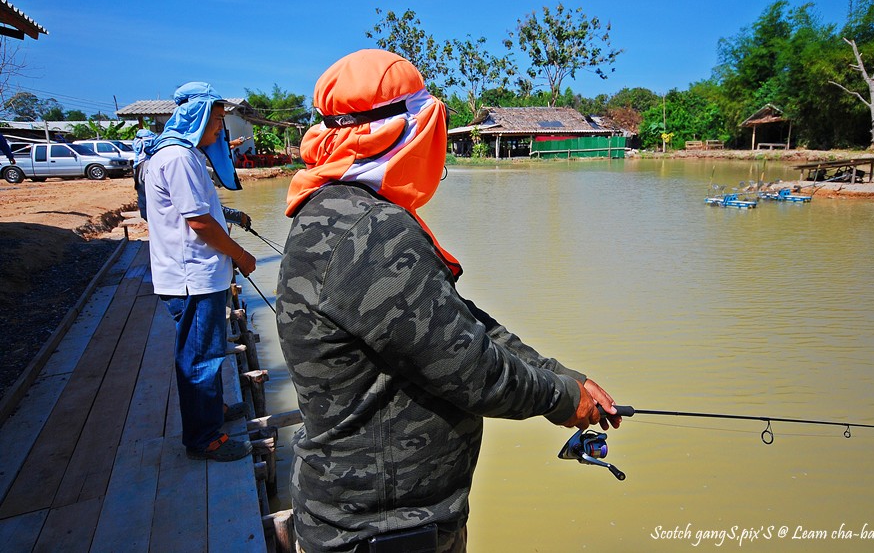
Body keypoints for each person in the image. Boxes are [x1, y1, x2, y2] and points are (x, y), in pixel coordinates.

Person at [277, 49, 622, 553]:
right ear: (410, 131)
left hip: (369, 517)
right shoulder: (370, 230)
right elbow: (470, 369)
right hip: (383, 531)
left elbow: (455, 320)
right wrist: (563, 399)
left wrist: (560, 372)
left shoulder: (339, 209)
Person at [143, 82, 257, 462]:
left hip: (189, 273)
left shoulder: (175, 153)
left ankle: (213, 411)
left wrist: (231, 217)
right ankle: (204, 438)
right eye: (219, 120)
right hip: (193, 276)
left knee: (202, 349)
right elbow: (199, 223)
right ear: (200, 116)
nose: (221, 130)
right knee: (200, 357)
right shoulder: (179, 158)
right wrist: (240, 255)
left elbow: (201, 209)